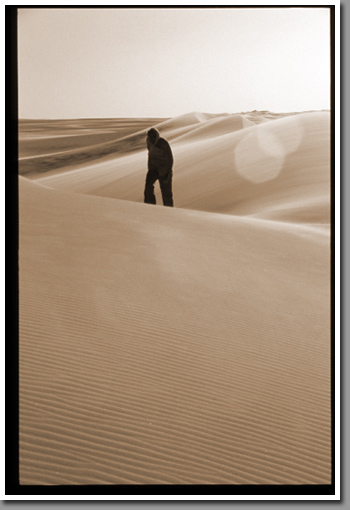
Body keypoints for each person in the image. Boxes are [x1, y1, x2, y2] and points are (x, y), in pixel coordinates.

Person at [144, 128, 174, 207]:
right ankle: (149, 207)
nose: (152, 138)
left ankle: (169, 210)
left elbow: (170, 159)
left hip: (164, 170)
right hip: (153, 169)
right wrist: (150, 168)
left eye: (153, 137)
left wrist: (167, 172)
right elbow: (150, 155)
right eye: (150, 137)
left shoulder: (163, 143)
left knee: (166, 193)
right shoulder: (149, 142)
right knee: (148, 188)